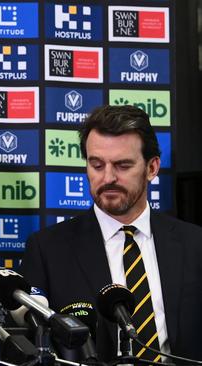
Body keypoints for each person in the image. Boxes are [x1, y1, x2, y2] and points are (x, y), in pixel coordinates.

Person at [20, 105, 202, 362]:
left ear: (152, 168)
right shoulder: (48, 250)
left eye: (122, 165)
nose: (108, 178)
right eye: (96, 165)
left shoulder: (195, 245)